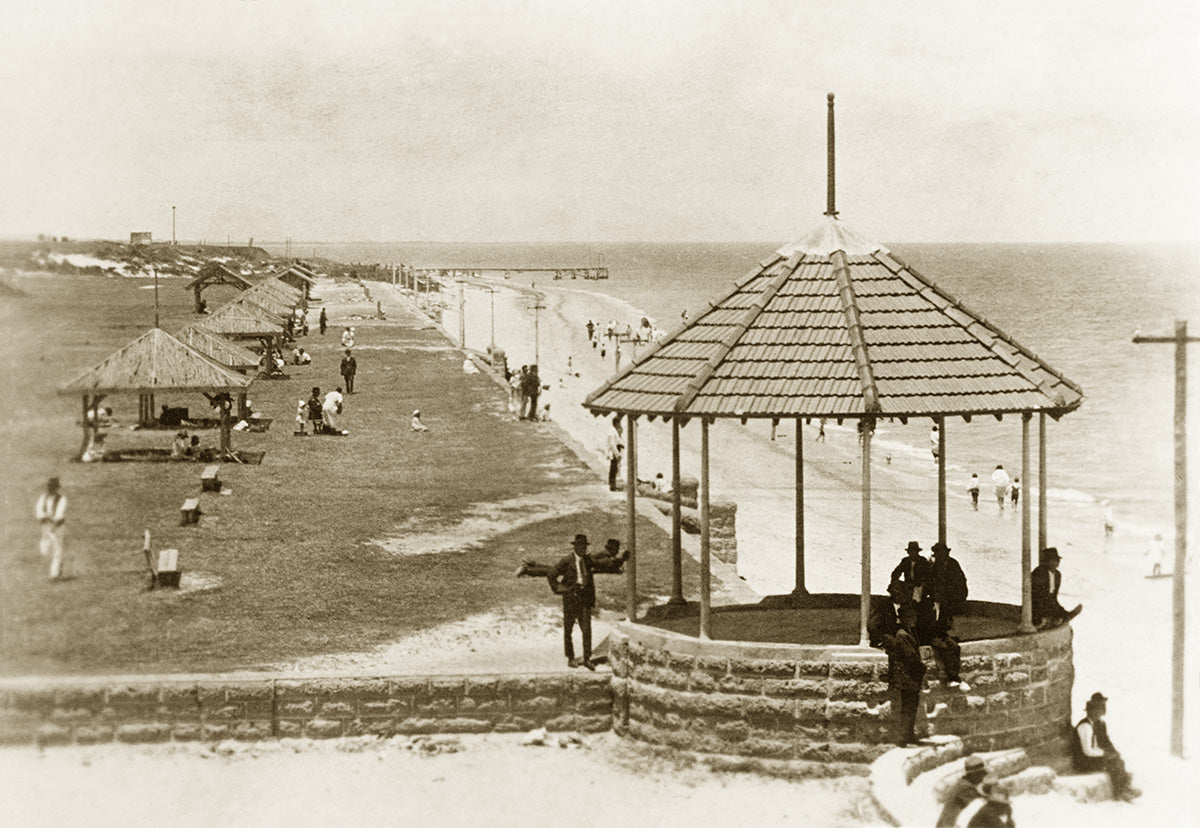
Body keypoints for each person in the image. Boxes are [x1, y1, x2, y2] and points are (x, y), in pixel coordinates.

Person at [547, 534, 628, 669]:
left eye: (585, 546)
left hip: (584, 599)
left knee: (587, 630)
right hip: (571, 599)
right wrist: (560, 589)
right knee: (568, 630)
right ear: (576, 546)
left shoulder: (587, 560)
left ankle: (587, 658)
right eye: (581, 546)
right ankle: (571, 657)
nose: (584, 548)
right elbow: (551, 574)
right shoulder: (567, 561)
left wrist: (621, 560)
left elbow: (605, 564)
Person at [1073, 692, 1140, 801]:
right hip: (1083, 760)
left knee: (1118, 760)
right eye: (1098, 709)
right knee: (1112, 763)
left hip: (1093, 755)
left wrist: (1113, 752)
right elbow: (1087, 751)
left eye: (1101, 709)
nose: (1101, 712)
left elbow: (1105, 741)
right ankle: (1120, 792)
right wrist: (1104, 754)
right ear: (1091, 711)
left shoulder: (1099, 724)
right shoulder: (1085, 726)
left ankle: (1125, 788)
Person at [926, 541, 969, 690]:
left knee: (954, 647)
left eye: (940, 553)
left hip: (951, 600)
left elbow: (960, 584)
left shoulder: (952, 565)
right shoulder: (934, 567)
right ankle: (949, 677)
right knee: (943, 646)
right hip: (933, 633)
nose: (938, 556)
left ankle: (954, 677)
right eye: (936, 553)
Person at [883, 603, 925, 746]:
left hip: (909, 676)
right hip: (908, 677)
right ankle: (903, 737)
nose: (913, 619)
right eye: (909, 617)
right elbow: (911, 656)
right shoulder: (903, 635)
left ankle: (909, 735)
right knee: (908, 707)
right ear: (902, 619)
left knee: (911, 707)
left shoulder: (906, 633)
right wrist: (922, 668)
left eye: (914, 616)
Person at [1031, 546, 1082, 628]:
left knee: (1054, 605)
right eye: (1051, 561)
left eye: (1056, 561)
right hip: (1039, 601)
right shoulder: (1039, 572)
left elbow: (1054, 595)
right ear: (1046, 562)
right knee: (1046, 607)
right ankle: (1051, 618)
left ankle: (1063, 616)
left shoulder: (1057, 575)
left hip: (1050, 600)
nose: (1055, 563)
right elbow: (1036, 594)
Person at [936, 754, 988, 827]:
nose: (984, 776)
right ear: (975, 773)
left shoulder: (964, 784)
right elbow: (983, 806)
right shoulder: (965, 788)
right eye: (982, 773)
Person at [36, 477, 67, 581]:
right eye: (49, 488)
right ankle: (58, 566)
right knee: (44, 550)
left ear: (56, 488)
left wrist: (52, 526)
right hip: (46, 526)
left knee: (57, 550)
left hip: (58, 526)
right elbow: (39, 512)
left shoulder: (61, 499)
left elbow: (59, 515)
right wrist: (46, 526)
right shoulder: (43, 498)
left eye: (53, 488)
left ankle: (54, 575)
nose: (50, 490)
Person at [891, 541, 930, 606]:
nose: (911, 553)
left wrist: (921, 584)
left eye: (913, 551)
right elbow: (897, 572)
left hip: (919, 585)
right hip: (908, 585)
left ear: (917, 552)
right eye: (910, 552)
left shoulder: (923, 561)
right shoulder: (905, 561)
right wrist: (894, 580)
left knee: (917, 598)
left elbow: (927, 576)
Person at [605, 416, 624, 492]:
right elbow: (613, 444)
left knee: (614, 468)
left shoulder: (614, 431)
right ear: (617, 423)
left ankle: (613, 484)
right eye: (619, 423)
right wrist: (617, 454)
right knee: (614, 468)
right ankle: (612, 486)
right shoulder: (612, 432)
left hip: (615, 450)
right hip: (614, 451)